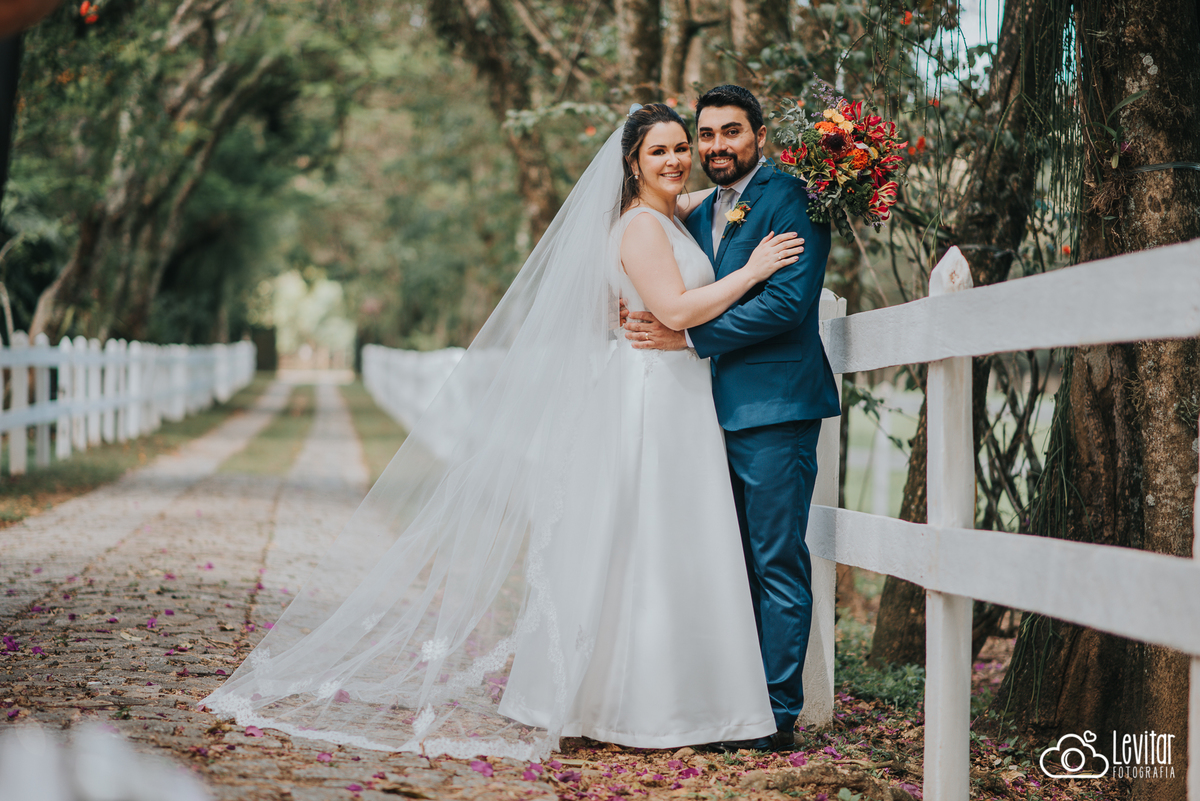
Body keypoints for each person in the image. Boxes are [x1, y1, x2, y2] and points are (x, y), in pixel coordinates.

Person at [201, 104, 806, 759]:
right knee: (648, 539)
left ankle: (675, 695)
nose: (675, 159)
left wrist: (787, 179)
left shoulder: (668, 213)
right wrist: (754, 268)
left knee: (665, 540)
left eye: (681, 147)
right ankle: (639, 704)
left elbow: (707, 195)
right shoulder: (638, 226)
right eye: (658, 150)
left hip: (679, 392)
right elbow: (677, 308)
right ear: (631, 162)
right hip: (654, 395)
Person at [624, 85, 841, 752]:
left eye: (730, 132)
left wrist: (688, 338)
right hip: (708, 412)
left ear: (759, 135)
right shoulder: (698, 210)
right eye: (706, 134)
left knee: (775, 559)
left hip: (775, 405)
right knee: (730, 558)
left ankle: (776, 714)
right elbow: (662, 271)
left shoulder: (791, 197)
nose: (716, 146)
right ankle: (734, 698)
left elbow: (786, 305)